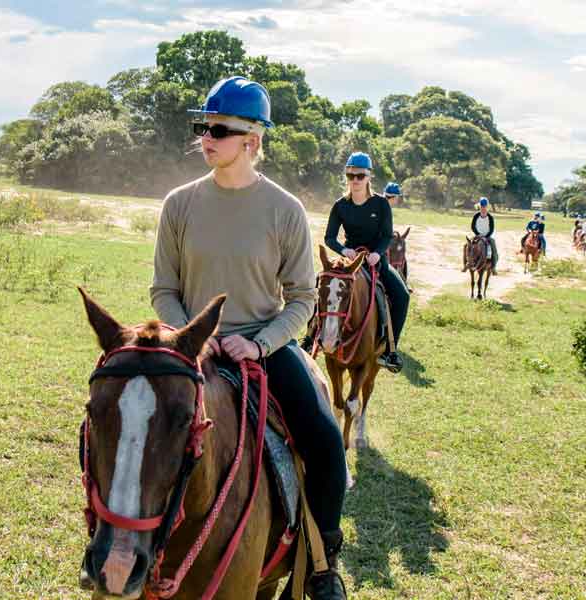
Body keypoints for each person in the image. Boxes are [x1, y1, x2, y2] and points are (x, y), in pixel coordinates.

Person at [150, 76, 347, 600]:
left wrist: (259, 344)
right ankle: (116, 546)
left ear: (252, 141)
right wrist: (194, 337)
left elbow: (303, 298)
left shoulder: (285, 211)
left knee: (327, 443)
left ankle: (323, 565)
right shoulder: (179, 204)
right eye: (203, 127)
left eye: (218, 128)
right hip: (191, 350)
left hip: (263, 349)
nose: (205, 137)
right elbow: (163, 290)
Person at [319, 152, 409, 373]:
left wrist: (378, 253)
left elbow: (387, 235)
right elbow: (329, 238)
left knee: (402, 295)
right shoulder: (340, 205)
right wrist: (345, 250)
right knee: (322, 285)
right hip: (349, 260)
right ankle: (311, 336)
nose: (355, 180)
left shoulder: (381, 204)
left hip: (375, 260)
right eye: (351, 175)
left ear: (369, 176)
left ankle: (390, 349)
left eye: (360, 176)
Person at [466, 196, 498, 275]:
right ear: (479, 206)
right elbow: (473, 227)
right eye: (482, 206)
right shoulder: (476, 216)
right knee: (466, 245)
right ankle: (466, 263)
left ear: (487, 207)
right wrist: (478, 235)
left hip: (487, 236)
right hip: (477, 235)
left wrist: (486, 236)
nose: (483, 208)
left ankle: (493, 267)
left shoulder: (490, 217)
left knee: (493, 246)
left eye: (484, 206)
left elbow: (491, 229)